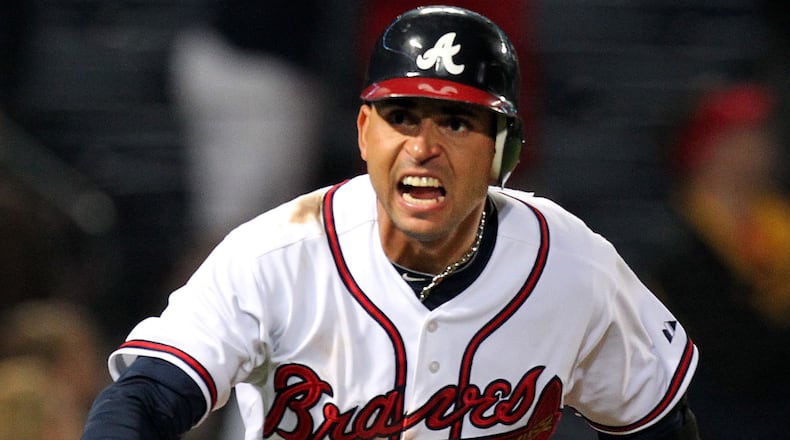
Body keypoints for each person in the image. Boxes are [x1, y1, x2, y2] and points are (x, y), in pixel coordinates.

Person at [81, 6, 701, 439]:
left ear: (504, 152)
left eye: (456, 123)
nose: (423, 146)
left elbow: (655, 422)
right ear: (363, 133)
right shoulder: (274, 255)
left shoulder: (573, 265)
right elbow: (144, 399)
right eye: (401, 117)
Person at [651, 80, 790, 439]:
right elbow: (729, 351)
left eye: (758, 136)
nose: (754, 150)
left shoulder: (776, 224)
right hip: (714, 407)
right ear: (704, 148)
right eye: (736, 138)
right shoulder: (670, 236)